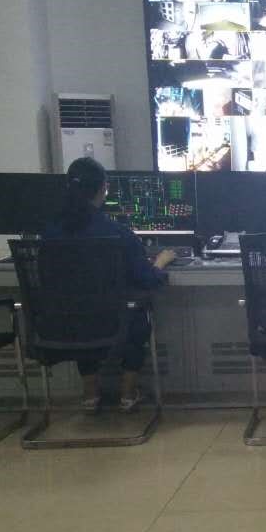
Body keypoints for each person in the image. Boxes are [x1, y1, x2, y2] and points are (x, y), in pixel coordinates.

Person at [43, 157, 175, 412]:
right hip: (114, 322)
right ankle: (128, 393)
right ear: (103, 189)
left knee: (80, 312)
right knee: (138, 315)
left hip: (64, 323)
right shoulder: (118, 233)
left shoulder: (50, 233)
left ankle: (90, 394)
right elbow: (147, 279)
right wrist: (161, 261)